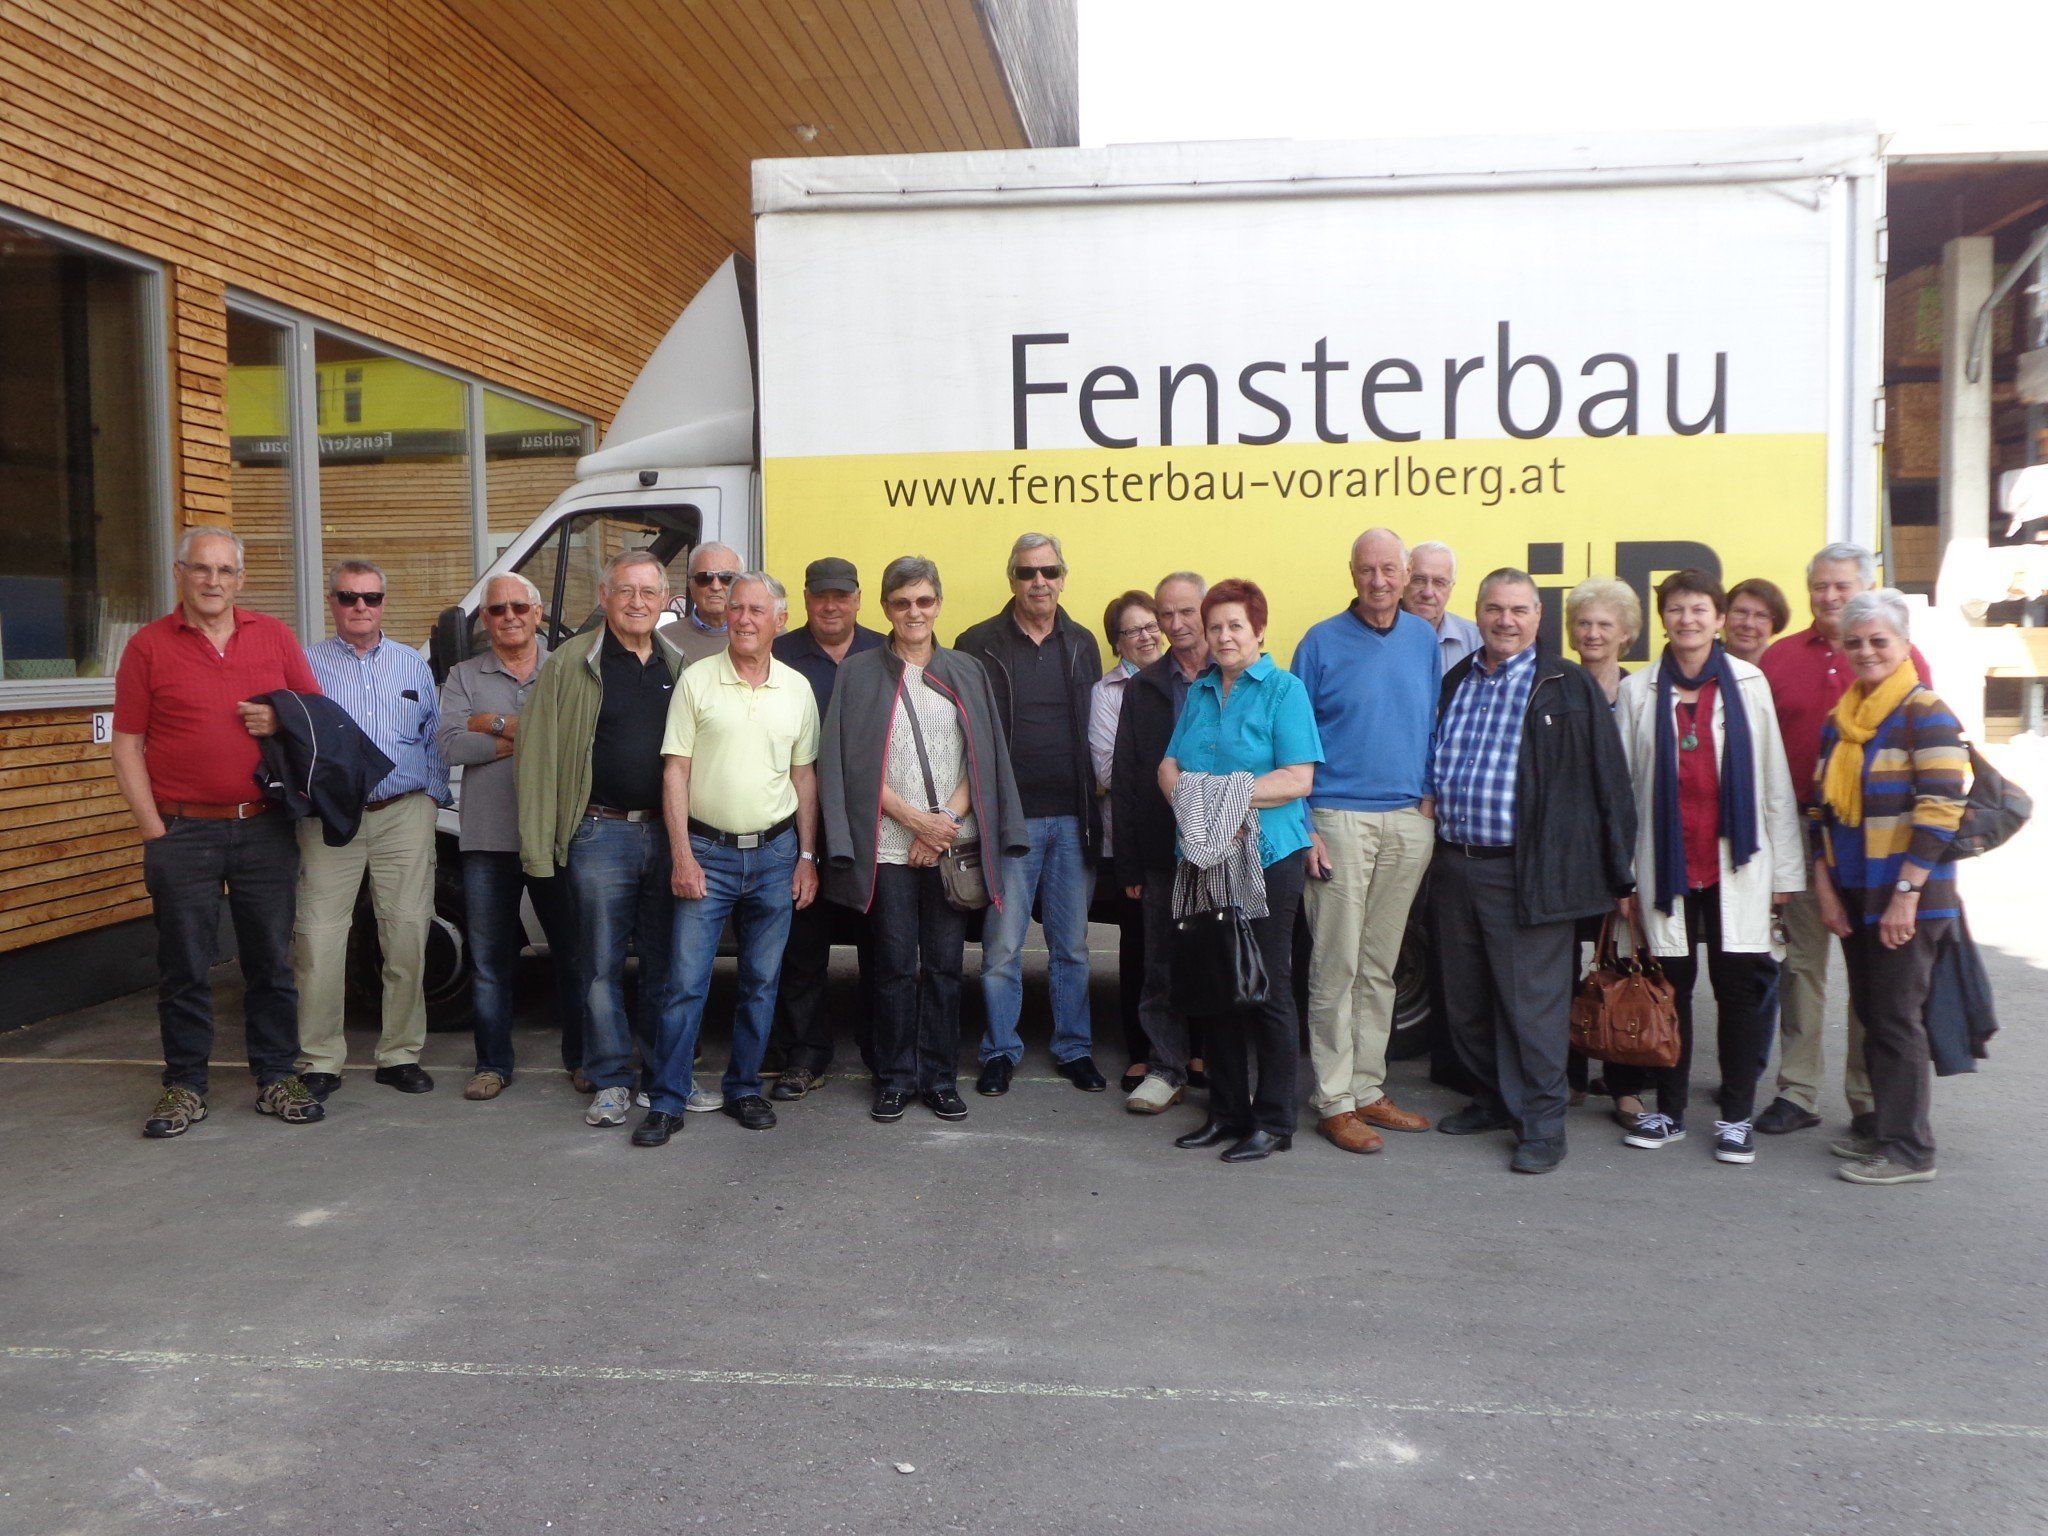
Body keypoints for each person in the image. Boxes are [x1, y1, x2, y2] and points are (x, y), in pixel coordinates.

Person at [110, 527, 326, 1136]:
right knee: (184, 965)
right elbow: (126, 745)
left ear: (241, 579)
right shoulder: (149, 647)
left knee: (270, 962)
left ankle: (277, 1076)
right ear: (180, 574)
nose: (213, 581)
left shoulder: (274, 636)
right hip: (182, 830)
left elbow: (315, 719)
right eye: (201, 569)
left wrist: (279, 714)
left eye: (225, 571)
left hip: (263, 829)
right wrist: (154, 829)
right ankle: (184, 1087)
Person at [1429, 569, 1635, 1175]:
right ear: (1478, 611)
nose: (1505, 621)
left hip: (1528, 871)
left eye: (1519, 610)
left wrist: (1618, 873)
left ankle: (1543, 1124)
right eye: (1494, 609)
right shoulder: (1457, 678)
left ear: (1538, 617)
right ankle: (1493, 1099)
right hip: (1455, 865)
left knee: (1532, 1008)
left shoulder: (1566, 684)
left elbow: (1609, 780)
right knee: (1466, 1001)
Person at [817, 556, 1025, 1122]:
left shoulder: (966, 670)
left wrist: (942, 828)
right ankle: (894, 1076)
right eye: (903, 602)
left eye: (925, 601)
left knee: (942, 963)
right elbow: (850, 765)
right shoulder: (858, 673)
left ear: (938, 604)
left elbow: (982, 758)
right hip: (888, 844)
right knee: (890, 963)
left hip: (950, 845)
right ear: (886, 608)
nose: (915, 612)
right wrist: (914, 821)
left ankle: (937, 1077)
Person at [1610, 570, 1805, 1164]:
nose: (1688, 619)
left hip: (1737, 865)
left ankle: (1736, 1118)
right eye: (1676, 609)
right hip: (1663, 866)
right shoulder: (1638, 690)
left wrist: (1786, 877)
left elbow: (1773, 782)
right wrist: (1622, 877)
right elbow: (1621, 793)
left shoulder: (1749, 683)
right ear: (1663, 618)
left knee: (1739, 992)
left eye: (1699, 609)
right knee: (1670, 991)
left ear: (1719, 619)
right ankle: (1668, 1110)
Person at [633, 574, 820, 1147]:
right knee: (685, 984)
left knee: (761, 983)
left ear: (779, 620)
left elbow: (803, 775)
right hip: (706, 855)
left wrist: (807, 856)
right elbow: (676, 771)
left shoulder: (797, 688)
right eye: (736, 608)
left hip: (775, 854)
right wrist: (682, 855)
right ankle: (666, 1101)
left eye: (756, 610)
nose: (743, 618)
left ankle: (743, 1089)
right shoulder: (696, 680)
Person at [1755, 542, 1931, 1138]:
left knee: (1872, 979)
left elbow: (1934, 770)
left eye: (1842, 586)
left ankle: (1868, 1098)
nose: (1830, 597)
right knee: (1802, 966)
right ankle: (1798, 1091)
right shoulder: (1778, 661)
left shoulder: (1908, 665)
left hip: (1883, 847)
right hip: (1805, 837)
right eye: (1820, 587)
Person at [519, 549, 687, 1129]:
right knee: (598, 966)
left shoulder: (679, 666)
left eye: (649, 592)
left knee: (668, 963)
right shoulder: (570, 663)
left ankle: (664, 1079)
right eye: (626, 591)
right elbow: (537, 756)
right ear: (603, 597)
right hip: (599, 833)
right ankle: (612, 1078)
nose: (638, 602)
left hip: (667, 836)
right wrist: (540, 848)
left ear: (666, 600)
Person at [1161, 579, 1322, 1163]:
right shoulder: (1201, 692)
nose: (1224, 636)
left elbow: (1297, 779)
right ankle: (1226, 1113)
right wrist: (1196, 807)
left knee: (1267, 987)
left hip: (1267, 858)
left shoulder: (1284, 690)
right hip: (1205, 859)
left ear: (1258, 631)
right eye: (1215, 626)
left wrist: (1225, 799)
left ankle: (1274, 1120)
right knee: (1217, 985)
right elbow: (1170, 765)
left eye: (1235, 625)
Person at [1292, 529, 1441, 1155]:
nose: (1378, 581)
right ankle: (1332, 1099)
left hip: (1408, 821)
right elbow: (1291, 738)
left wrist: (1430, 793)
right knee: (1337, 964)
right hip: (1338, 820)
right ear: (1351, 572)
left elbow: (1433, 718)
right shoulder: (1321, 642)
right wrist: (1304, 827)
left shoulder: (1423, 639)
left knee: (1380, 966)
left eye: (1389, 570)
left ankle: (1367, 1086)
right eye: (1367, 570)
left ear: (1405, 574)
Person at [1811, 589, 1967, 1185]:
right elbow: (1821, 812)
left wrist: (1906, 893)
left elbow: (1941, 807)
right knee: (1875, 1014)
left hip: (1906, 895)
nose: (1866, 651)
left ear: (1904, 645)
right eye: (1855, 642)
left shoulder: (1925, 711)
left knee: (1898, 1019)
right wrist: (1826, 887)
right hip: (1855, 892)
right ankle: (1883, 1127)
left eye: (1879, 640)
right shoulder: (1842, 719)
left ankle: (1910, 1151)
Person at [954, 532, 1106, 1096]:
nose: (1038, 582)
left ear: (1063, 577)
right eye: (1026, 572)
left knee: (1071, 947)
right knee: (1001, 949)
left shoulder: (1083, 642)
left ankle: (1074, 1049)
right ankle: (998, 1050)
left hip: (1073, 819)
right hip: (1009, 822)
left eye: (1048, 571)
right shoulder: (978, 642)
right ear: (1011, 578)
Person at [294, 560, 451, 1100]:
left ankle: (399, 1053)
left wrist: (432, 800)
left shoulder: (412, 665)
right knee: (318, 937)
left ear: (384, 602)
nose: (361, 606)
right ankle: (319, 1058)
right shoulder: (305, 666)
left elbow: (432, 737)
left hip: (403, 814)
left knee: (407, 932)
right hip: (331, 819)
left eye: (371, 597)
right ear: (332, 601)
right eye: (348, 596)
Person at [437, 573, 581, 1101]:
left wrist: (491, 723)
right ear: (487, 620)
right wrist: (530, 732)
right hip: (487, 839)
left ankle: (582, 1060)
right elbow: (450, 746)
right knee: (491, 961)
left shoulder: (567, 668)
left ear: (538, 613)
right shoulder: (462, 675)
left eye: (519, 606)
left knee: (573, 955)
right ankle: (492, 1064)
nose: (509, 616)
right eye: (497, 609)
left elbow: (575, 743)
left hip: (553, 836)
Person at [767, 557, 886, 1099]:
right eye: (821, 597)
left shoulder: (887, 652)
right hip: (800, 825)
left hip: (878, 826)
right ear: (806, 600)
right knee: (803, 950)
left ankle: (883, 1053)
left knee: (882, 949)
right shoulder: (779, 654)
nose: (831, 606)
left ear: (859, 598)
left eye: (841, 595)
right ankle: (805, 1055)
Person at [1112, 572, 1211, 1114]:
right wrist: (1128, 858)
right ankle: (1167, 1066)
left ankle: (1219, 1059)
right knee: (1161, 965)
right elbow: (1127, 774)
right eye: (1165, 614)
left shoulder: (1236, 678)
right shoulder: (1144, 686)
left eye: (1185, 612)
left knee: (1221, 960)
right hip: (1160, 850)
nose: (1174, 625)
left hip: (1228, 851)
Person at [1089, 589, 1164, 1093]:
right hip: (1131, 838)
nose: (1146, 635)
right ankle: (1141, 1048)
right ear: (1117, 643)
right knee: (1138, 945)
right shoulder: (1107, 693)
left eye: (1151, 624)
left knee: (1189, 945)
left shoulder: (1189, 678)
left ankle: (1194, 1048)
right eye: (1132, 630)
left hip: (1188, 835)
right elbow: (1107, 770)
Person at [1403, 540, 1484, 675]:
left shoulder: (1477, 641)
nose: (1428, 592)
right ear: (1404, 581)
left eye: (1439, 582)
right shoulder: (1377, 636)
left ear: (1451, 587)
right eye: (1418, 580)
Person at [1565, 576, 1641, 707]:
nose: (1593, 634)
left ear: (1625, 633)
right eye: (1584, 624)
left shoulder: (1640, 695)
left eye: (1604, 625)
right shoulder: (1554, 692)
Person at [663, 540, 742, 666]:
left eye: (727, 578)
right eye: (704, 578)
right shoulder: (665, 640)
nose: (716, 586)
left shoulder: (769, 635)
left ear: (741, 585)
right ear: (690, 585)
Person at [1723, 577, 1791, 665]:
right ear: (1723, 616)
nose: (1748, 623)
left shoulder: (1786, 669)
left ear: (1775, 624)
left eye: (1761, 616)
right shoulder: (1703, 666)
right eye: (1740, 612)